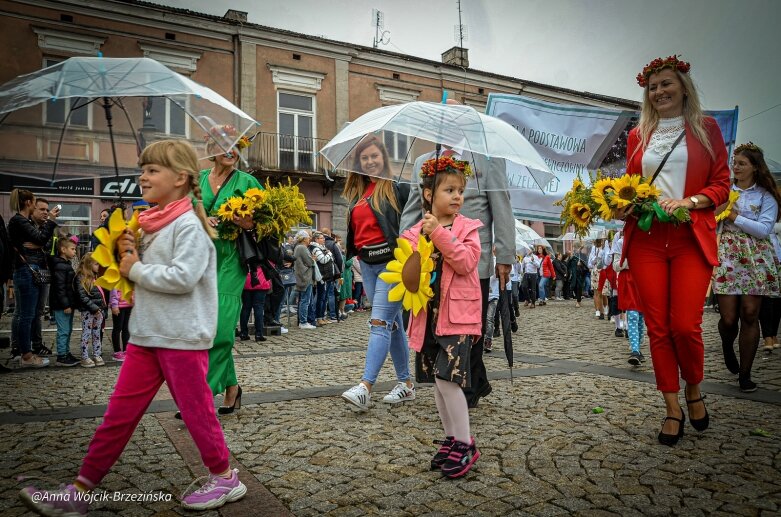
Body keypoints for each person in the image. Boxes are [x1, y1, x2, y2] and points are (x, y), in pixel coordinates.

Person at [20, 139, 247, 515]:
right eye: (142, 169)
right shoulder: (148, 223)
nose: (143, 176)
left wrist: (135, 267)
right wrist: (125, 250)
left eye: (153, 170)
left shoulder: (189, 225)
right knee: (119, 414)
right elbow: (131, 276)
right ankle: (80, 489)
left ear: (181, 178)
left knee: (197, 413)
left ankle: (225, 477)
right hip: (146, 335)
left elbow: (183, 277)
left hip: (182, 338)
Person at [619, 56, 730, 446]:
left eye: (667, 83)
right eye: (653, 87)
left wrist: (692, 200)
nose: (660, 91)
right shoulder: (638, 135)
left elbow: (722, 184)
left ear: (683, 86)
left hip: (689, 237)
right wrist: (621, 203)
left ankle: (694, 390)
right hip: (647, 239)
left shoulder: (706, 128)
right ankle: (671, 407)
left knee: (685, 324)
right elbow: (631, 185)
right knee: (658, 327)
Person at [400, 99, 515, 409]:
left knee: (470, 329)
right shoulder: (424, 161)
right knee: (438, 328)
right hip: (430, 264)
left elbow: (502, 207)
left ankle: (465, 392)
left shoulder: (487, 160)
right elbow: (411, 212)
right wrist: (404, 253)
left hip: (471, 261)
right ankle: (472, 383)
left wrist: (505, 256)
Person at [402, 154, 482, 478]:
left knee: (449, 379)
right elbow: (407, 271)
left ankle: (466, 443)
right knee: (437, 381)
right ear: (428, 194)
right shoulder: (415, 231)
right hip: (428, 316)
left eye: (460, 190)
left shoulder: (468, 228)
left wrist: (439, 234)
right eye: (449, 190)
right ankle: (451, 438)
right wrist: (419, 244)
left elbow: (465, 262)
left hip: (458, 316)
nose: (457, 197)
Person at [341, 135, 414, 411]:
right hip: (367, 266)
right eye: (365, 158)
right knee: (392, 324)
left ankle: (365, 387)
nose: (370, 161)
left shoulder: (397, 189)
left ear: (384, 158)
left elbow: (414, 221)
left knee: (379, 322)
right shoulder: (359, 195)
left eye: (375, 156)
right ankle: (406, 385)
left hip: (391, 265)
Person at [199, 125, 262, 415]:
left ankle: (199, 396)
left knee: (221, 327)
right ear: (211, 147)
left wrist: (246, 223)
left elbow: (268, 226)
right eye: (224, 144)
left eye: (237, 145)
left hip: (232, 257)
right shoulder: (196, 180)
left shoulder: (248, 182)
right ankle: (233, 388)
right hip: (200, 259)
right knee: (205, 328)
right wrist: (202, 220)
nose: (231, 150)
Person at [713, 142, 781, 392]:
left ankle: (745, 374)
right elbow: (711, 221)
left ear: (755, 167)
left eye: (742, 163)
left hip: (757, 258)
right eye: (734, 162)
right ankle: (727, 344)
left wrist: (732, 215)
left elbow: (764, 230)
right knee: (729, 318)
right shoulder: (723, 191)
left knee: (750, 314)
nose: (736, 167)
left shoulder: (765, 195)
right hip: (728, 255)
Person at [8, 189, 58, 368]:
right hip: (26, 270)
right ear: (29, 203)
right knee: (26, 315)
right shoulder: (19, 220)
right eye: (35, 203)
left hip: (29, 269)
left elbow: (40, 240)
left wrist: (38, 242)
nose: (43, 210)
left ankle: (26, 352)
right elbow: (41, 238)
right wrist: (50, 222)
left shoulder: (22, 221)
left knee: (26, 314)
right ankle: (26, 356)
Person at [49, 237, 80, 367]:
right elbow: (60, 288)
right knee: (64, 330)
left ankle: (66, 353)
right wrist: (66, 304)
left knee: (68, 329)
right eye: (72, 249)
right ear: (63, 249)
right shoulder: (60, 266)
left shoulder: (65, 264)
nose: (74, 252)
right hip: (62, 306)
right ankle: (61, 356)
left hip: (67, 304)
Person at [75, 253, 106, 368]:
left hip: (98, 312)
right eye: (96, 264)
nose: (98, 266)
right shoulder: (81, 278)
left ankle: (97, 354)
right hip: (88, 312)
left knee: (97, 333)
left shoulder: (95, 277)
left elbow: (100, 295)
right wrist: (94, 308)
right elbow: (82, 296)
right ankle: (84, 356)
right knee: (86, 334)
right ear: (89, 264)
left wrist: (102, 309)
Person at [310, 231, 336, 326]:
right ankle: (318, 317)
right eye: (321, 238)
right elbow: (323, 260)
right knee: (321, 298)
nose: (324, 239)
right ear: (316, 239)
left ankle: (322, 317)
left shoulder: (322, 248)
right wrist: (329, 254)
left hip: (327, 276)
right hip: (322, 276)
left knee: (324, 298)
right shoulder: (316, 249)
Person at [239, 264, 271, 342]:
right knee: (259, 308)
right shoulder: (263, 252)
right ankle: (259, 334)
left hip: (247, 280)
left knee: (246, 307)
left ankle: (243, 333)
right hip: (261, 280)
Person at [293, 230, 317, 329]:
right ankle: (303, 322)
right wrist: (313, 259)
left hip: (302, 276)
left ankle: (303, 321)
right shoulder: (302, 248)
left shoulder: (298, 247)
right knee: (305, 300)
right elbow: (310, 261)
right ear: (304, 239)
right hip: (305, 277)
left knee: (304, 300)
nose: (309, 239)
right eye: (308, 237)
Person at [588, 238, 611, 319]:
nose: (599, 243)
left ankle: (605, 308)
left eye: (600, 241)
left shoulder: (606, 248)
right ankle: (598, 310)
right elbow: (590, 264)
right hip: (595, 272)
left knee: (604, 293)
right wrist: (595, 257)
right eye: (597, 241)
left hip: (603, 271)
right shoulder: (593, 249)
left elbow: (607, 261)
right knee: (596, 292)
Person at [109, 289, 133, 362]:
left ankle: (126, 350)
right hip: (119, 306)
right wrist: (114, 305)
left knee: (126, 329)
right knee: (117, 328)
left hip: (129, 305)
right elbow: (113, 293)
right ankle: (117, 351)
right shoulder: (116, 279)